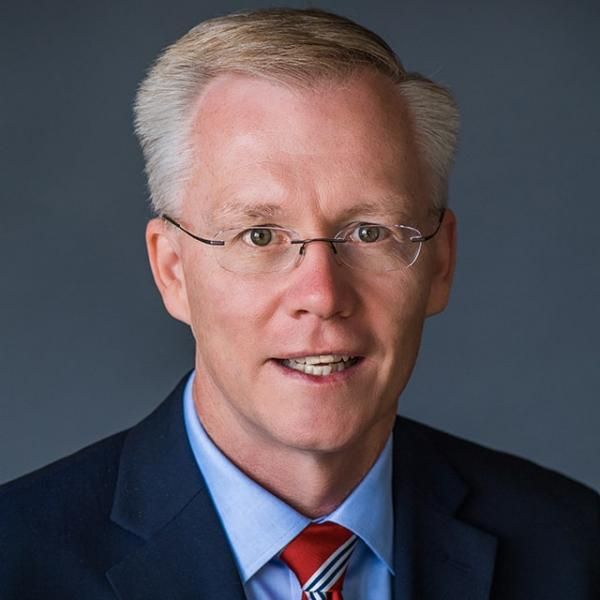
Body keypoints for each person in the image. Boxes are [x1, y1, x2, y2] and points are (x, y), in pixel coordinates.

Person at [0, 7, 597, 600]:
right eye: (259, 236)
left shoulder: (574, 548)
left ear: (440, 262)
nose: (322, 296)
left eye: (369, 232)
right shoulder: (17, 559)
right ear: (172, 269)